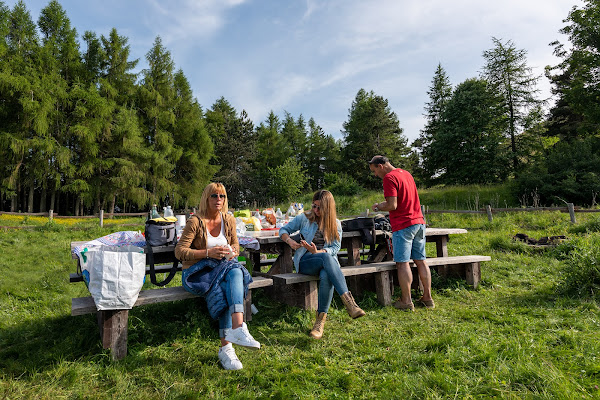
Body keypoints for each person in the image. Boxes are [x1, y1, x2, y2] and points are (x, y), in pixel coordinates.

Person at [175, 183, 260, 370]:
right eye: (214, 196)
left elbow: (236, 246)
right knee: (227, 284)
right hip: (198, 273)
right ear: (206, 198)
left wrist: (231, 251)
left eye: (222, 196)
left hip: (222, 268)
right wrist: (208, 253)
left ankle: (236, 331)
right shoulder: (195, 221)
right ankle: (228, 346)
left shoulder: (228, 219)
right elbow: (179, 251)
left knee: (235, 271)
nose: (218, 200)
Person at [279, 190, 365, 339]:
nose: (315, 210)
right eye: (314, 206)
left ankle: (319, 323)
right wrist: (290, 241)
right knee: (326, 258)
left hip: (325, 263)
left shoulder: (336, 224)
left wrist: (318, 251)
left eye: (319, 208)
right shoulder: (304, 218)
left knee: (326, 273)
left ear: (328, 208)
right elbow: (283, 229)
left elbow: (335, 248)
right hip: (306, 262)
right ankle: (350, 304)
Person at [368, 155, 434, 311]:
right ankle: (427, 298)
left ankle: (406, 300)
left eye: (375, 171)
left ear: (381, 166)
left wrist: (378, 207)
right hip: (419, 222)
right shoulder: (406, 174)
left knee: (402, 264)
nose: (375, 175)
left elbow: (393, 205)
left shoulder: (389, 178)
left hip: (403, 225)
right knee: (421, 260)